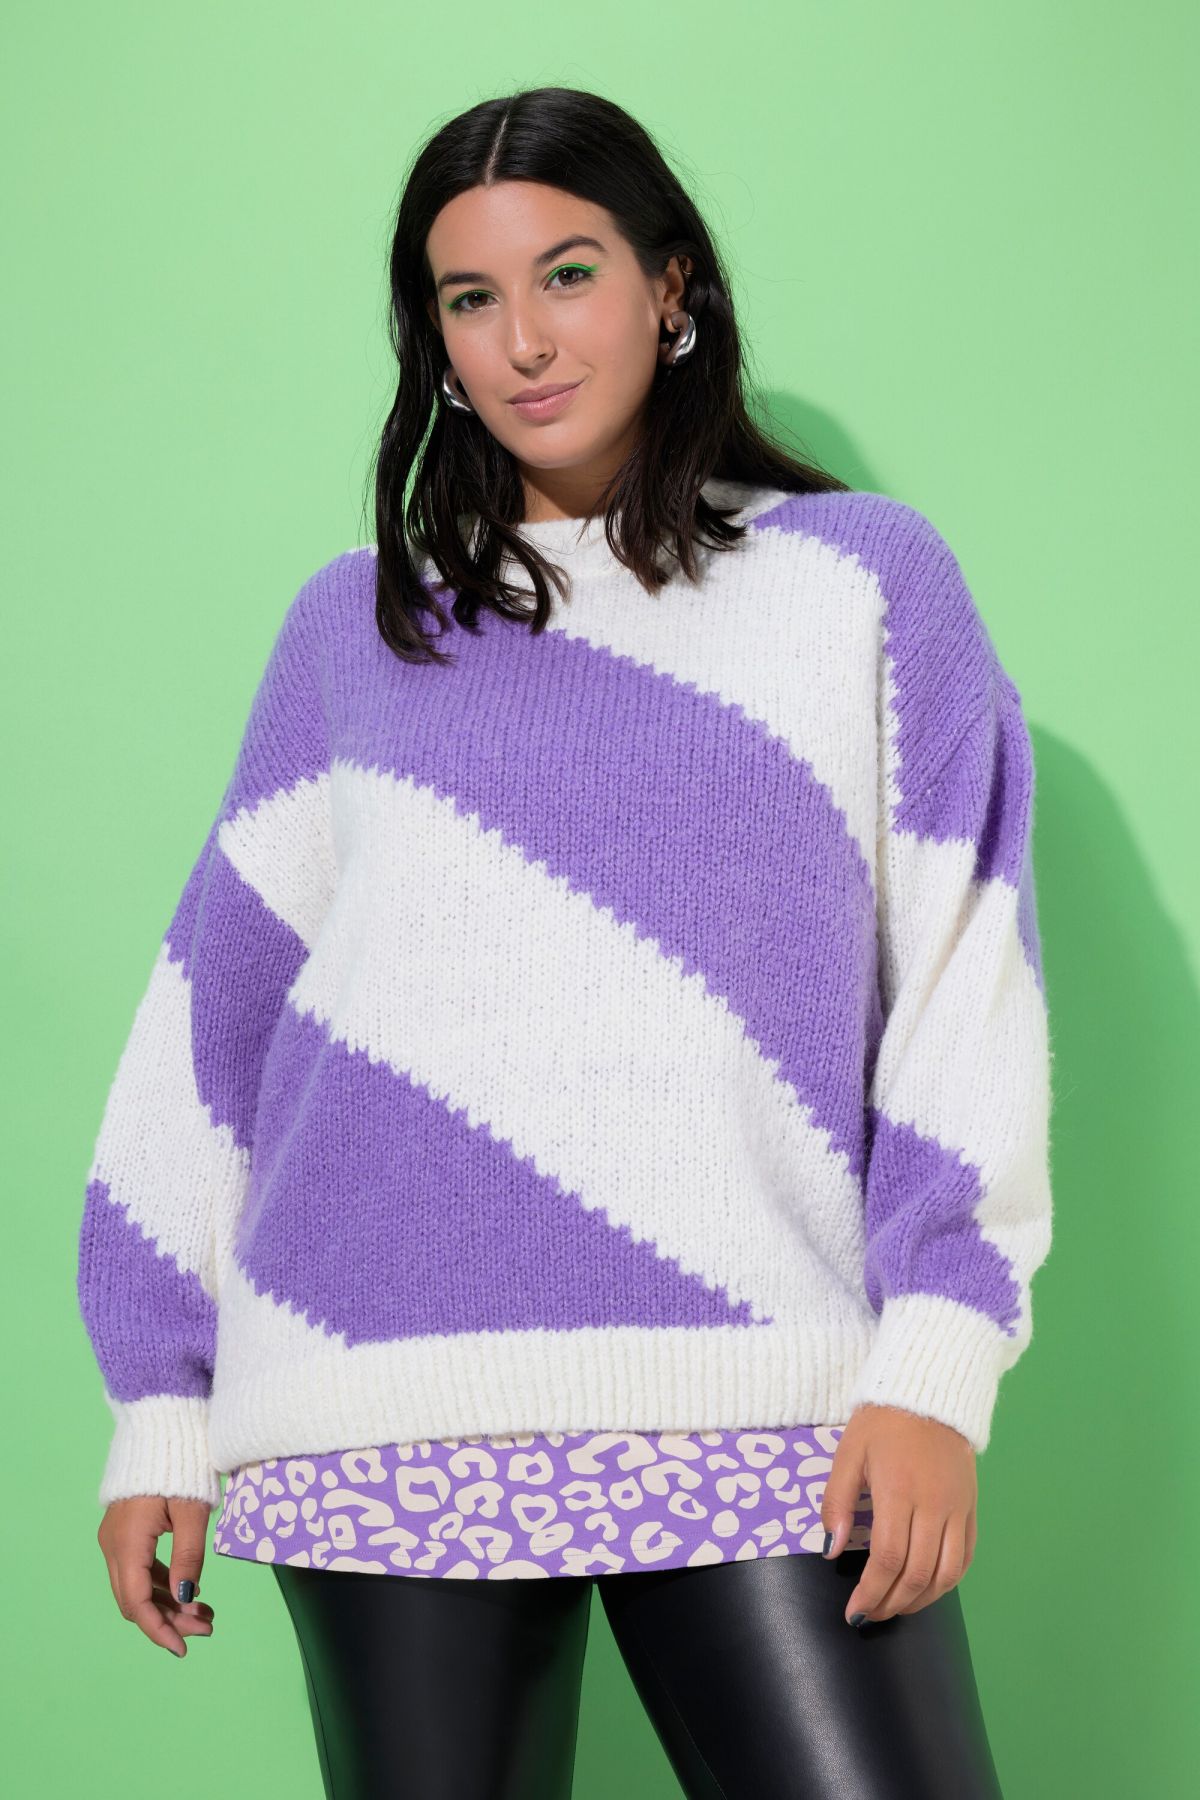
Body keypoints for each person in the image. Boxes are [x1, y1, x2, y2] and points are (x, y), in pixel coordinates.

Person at [75, 84, 1053, 1800]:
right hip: (376, 1398)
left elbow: (966, 979)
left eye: (571, 273)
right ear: (436, 342)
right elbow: (212, 1020)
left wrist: (938, 1363)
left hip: (766, 1392)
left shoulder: (860, 584)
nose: (524, 339)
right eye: (470, 298)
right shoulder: (357, 628)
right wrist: (159, 1399)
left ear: (672, 286)